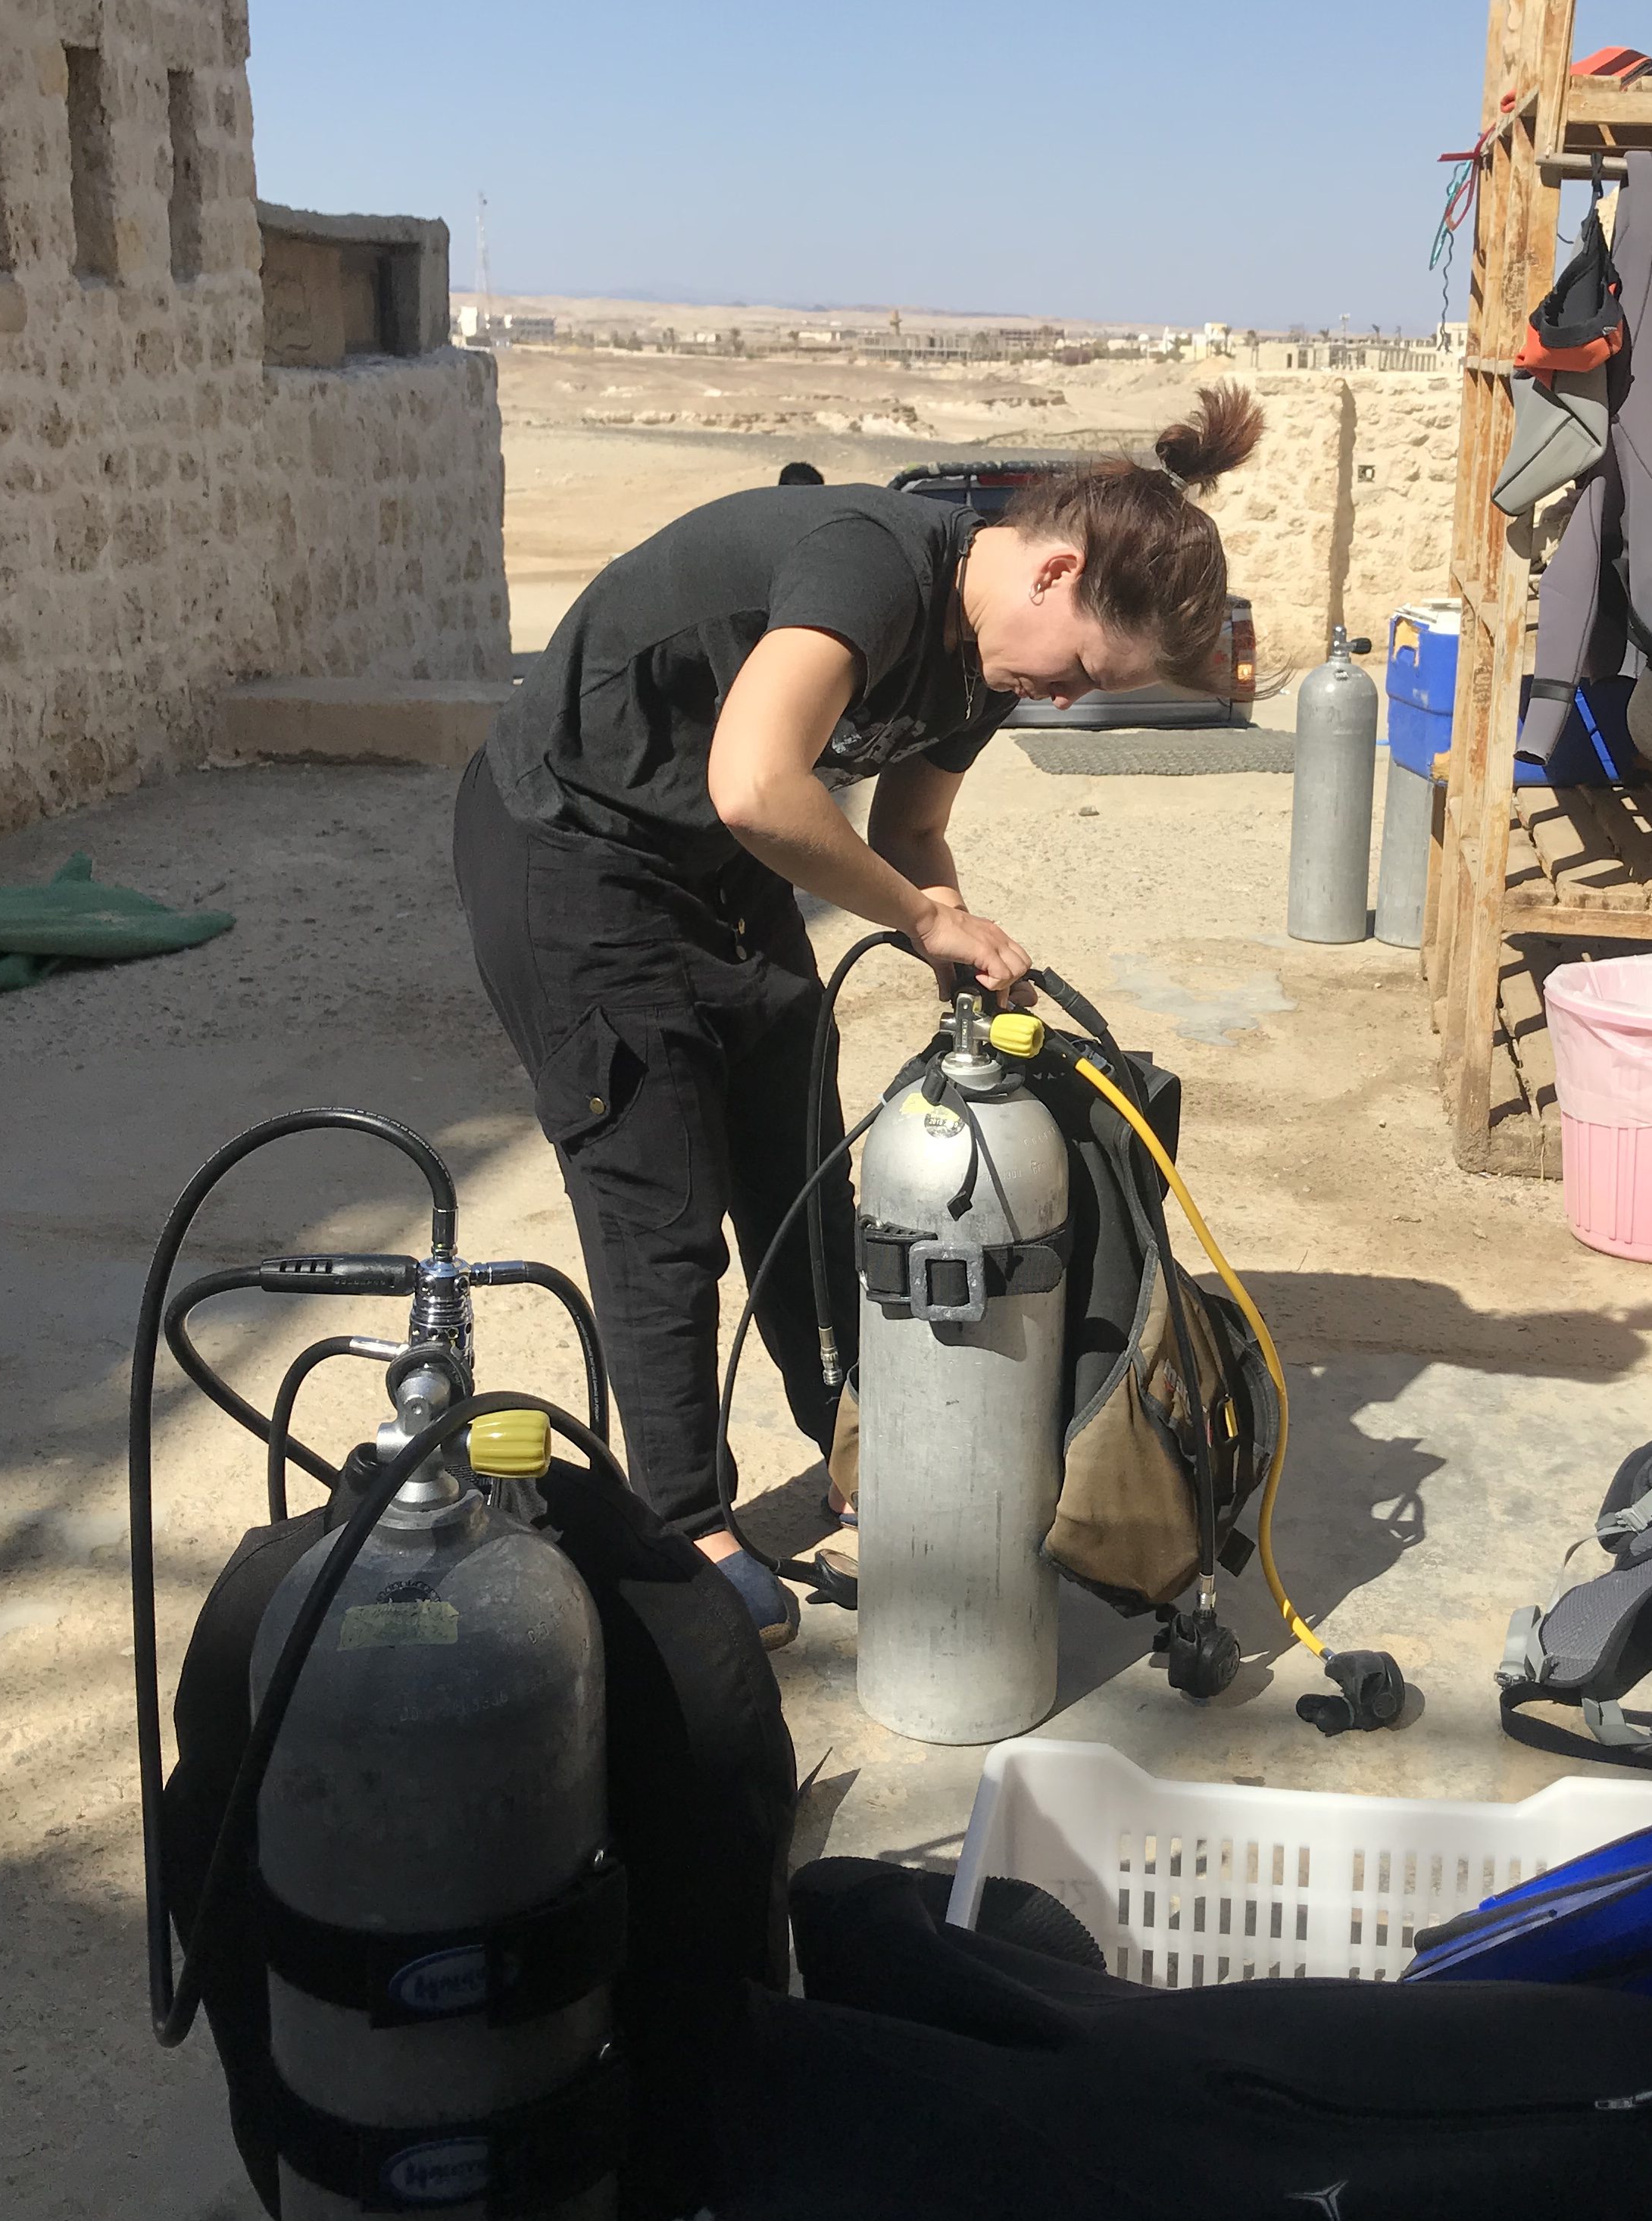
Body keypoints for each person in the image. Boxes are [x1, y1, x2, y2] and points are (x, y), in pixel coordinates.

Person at [454, 384, 1264, 1642]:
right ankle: (687, 1528)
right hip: (572, 846)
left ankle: (857, 1445)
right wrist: (922, 921)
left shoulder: (987, 662)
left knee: (800, 1171)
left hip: (718, 867)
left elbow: (912, 832)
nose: (1060, 701)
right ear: (1056, 573)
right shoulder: (874, 565)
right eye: (1078, 673)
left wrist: (959, 942)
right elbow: (753, 783)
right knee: (660, 1201)